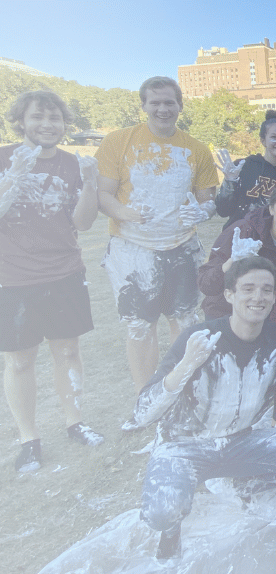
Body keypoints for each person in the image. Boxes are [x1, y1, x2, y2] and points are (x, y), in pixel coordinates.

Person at [131, 256, 276, 559]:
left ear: (274, 297)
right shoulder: (200, 338)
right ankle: (171, 531)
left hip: (240, 440)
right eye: (247, 289)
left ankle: (244, 484)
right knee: (162, 513)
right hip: (183, 445)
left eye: (266, 290)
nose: (257, 297)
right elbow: (142, 414)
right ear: (230, 295)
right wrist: (186, 366)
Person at [1, 91, 103, 472]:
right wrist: (14, 174)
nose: (47, 125)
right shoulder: (3, 157)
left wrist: (90, 182)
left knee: (67, 352)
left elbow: (82, 223)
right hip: (12, 279)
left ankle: (75, 422)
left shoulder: (72, 164)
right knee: (21, 362)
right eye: (38, 117)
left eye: (55, 118)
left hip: (65, 273)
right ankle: (29, 440)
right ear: (21, 121)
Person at [96, 76, 219, 393]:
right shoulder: (118, 142)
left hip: (182, 246)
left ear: (180, 105)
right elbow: (104, 195)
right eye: (156, 102)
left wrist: (202, 212)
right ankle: (145, 394)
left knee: (185, 321)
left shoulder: (196, 149)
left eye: (169, 102)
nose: (163, 109)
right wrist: (126, 213)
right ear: (144, 106)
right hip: (132, 247)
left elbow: (208, 200)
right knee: (140, 326)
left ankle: (183, 391)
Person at [198, 183, 276, 326]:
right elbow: (205, 284)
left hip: (266, 319)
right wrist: (230, 263)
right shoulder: (243, 230)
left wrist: (271, 328)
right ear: (271, 209)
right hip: (225, 313)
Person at [214, 109, 276, 231]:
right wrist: (229, 182)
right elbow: (222, 210)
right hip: (235, 239)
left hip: (269, 245)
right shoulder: (243, 166)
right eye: (274, 137)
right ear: (263, 141)